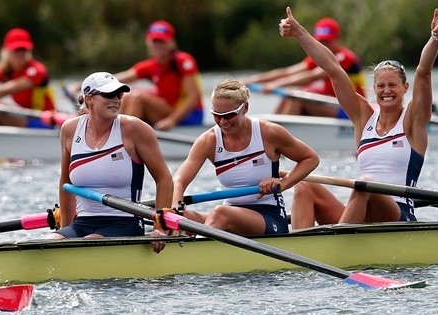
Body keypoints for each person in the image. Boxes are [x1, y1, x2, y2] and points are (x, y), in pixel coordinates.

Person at [280, 7, 438, 228]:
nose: (386, 90)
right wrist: (299, 32)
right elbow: (332, 68)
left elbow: (423, 71)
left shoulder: (413, 121)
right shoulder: (363, 117)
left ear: (405, 88)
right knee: (304, 187)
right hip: (362, 207)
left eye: (392, 85)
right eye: (381, 85)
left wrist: (435, 38)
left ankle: (335, 246)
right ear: (374, 89)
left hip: (398, 215)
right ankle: (301, 251)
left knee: (364, 185)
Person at [172, 79, 319, 236]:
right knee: (181, 218)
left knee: (220, 214)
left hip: (269, 216)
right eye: (216, 115)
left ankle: (198, 253)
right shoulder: (208, 140)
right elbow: (179, 181)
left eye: (229, 115)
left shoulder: (269, 133)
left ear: (245, 108)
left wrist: (283, 184)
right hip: (230, 214)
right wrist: (173, 211)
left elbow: (310, 158)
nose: (222, 122)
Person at [50, 72, 173, 253]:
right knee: (48, 243)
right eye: (109, 94)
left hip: (125, 223)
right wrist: (65, 230)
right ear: (89, 98)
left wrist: (159, 227)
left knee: (88, 243)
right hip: (83, 223)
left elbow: (164, 179)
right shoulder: (69, 129)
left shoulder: (135, 129)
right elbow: (66, 183)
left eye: (119, 94)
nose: (116, 99)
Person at [69, 20, 203, 131]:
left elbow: (192, 99)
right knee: (127, 96)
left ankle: (117, 135)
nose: (158, 45)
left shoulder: (183, 61)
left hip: (189, 115)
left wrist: (171, 120)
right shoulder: (150, 66)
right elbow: (112, 80)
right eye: (155, 41)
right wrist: (80, 85)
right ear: (148, 43)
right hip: (166, 110)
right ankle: (108, 128)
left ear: (172, 42)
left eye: (162, 41)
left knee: (138, 98)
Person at [241, 17, 365, 119]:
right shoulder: (318, 57)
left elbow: (312, 76)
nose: (324, 45)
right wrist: (255, 79)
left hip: (353, 110)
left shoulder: (345, 57)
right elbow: (287, 72)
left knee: (296, 96)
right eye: (321, 41)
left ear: (338, 39)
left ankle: (279, 137)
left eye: (328, 42)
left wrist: (277, 85)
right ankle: (271, 130)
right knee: (290, 95)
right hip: (333, 105)